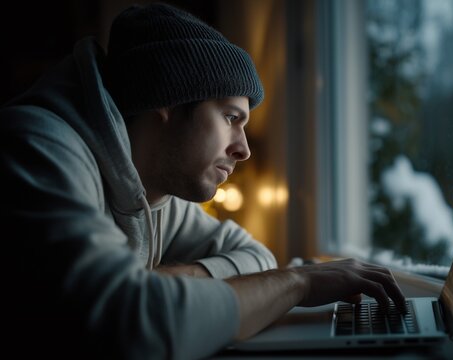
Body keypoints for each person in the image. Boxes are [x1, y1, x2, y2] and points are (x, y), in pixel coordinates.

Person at [0, 3, 406, 359]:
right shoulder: (40, 147)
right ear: (168, 98)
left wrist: (170, 280)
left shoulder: (154, 194)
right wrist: (297, 281)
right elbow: (132, 327)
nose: (244, 149)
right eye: (231, 118)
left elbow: (255, 255)